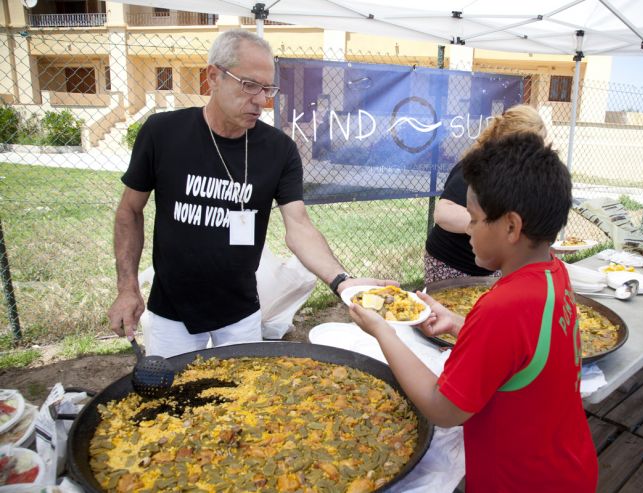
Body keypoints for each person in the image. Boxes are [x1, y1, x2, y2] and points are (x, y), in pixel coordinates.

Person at [107, 30, 393, 358]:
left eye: (268, 88)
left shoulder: (279, 150)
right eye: (249, 85)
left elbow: (298, 226)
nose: (261, 100)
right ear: (213, 77)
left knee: (238, 401)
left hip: (241, 311)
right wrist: (127, 286)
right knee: (175, 401)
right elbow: (129, 210)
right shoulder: (163, 133)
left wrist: (342, 281)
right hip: (172, 311)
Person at [349, 133, 598, 492]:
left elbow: (444, 409)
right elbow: (526, 352)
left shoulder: (502, 307)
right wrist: (457, 324)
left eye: (475, 219)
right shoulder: (553, 273)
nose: (467, 228)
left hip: (520, 482)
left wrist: (384, 331)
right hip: (567, 468)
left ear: (511, 226)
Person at [423, 104, 547, 284]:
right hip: (451, 264)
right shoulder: (479, 165)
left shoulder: (518, 172)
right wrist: (494, 226)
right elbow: (443, 214)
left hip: (490, 268)